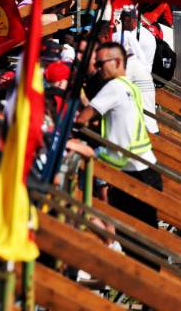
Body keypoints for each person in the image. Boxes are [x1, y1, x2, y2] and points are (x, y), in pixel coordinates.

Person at [69, 42, 162, 233]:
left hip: (131, 171)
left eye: (101, 63)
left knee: (131, 232)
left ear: (118, 61)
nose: (98, 67)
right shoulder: (130, 86)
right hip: (146, 167)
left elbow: (82, 118)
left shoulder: (113, 87)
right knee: (147, 230)